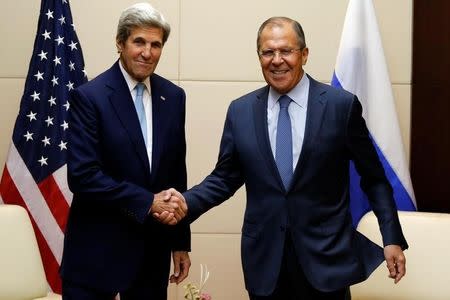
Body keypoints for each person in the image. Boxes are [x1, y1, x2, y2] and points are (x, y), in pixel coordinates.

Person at [155, 17, 408, 299]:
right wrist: (184, 203)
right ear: (259, 56)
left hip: (326, 260)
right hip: (265, 262)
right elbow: (224, 179)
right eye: (268, 52)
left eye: (286, 51)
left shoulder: (340, 107)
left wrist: (391, 237)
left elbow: (374, 179)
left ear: (304, 54)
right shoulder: (241, 111)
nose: (277, 60)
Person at [60, 3, 191, 299]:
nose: (147, 52)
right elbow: (83, 176)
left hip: (151, 256)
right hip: (96, 256)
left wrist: (180, 241)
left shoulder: (173, 97)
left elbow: (175, 173)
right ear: (120, 43)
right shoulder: (89, 97)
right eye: (139, 42)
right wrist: (148, 202)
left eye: (156, 44)